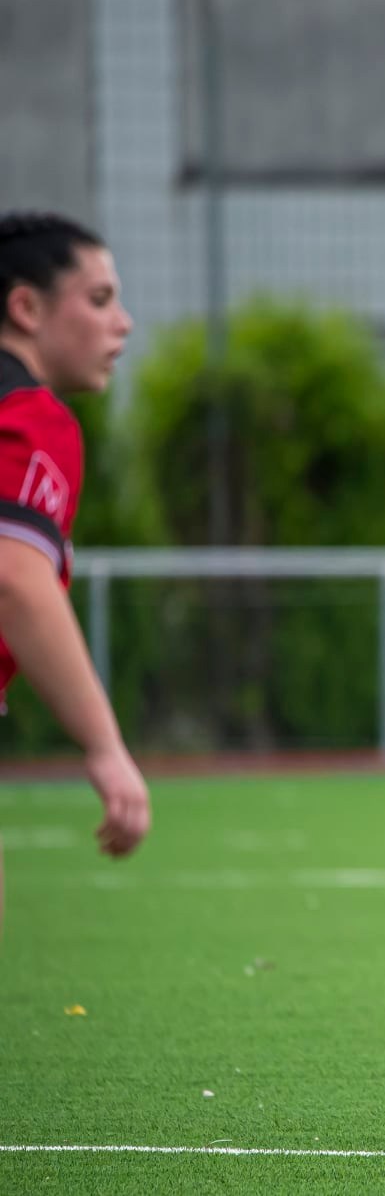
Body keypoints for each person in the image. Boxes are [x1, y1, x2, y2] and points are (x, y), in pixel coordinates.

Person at [0, 210, 152, 928]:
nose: (122, 323)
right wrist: (105, 748)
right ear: (26, 308)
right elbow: (14, 578)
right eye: (98, 300)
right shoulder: (30, 418)